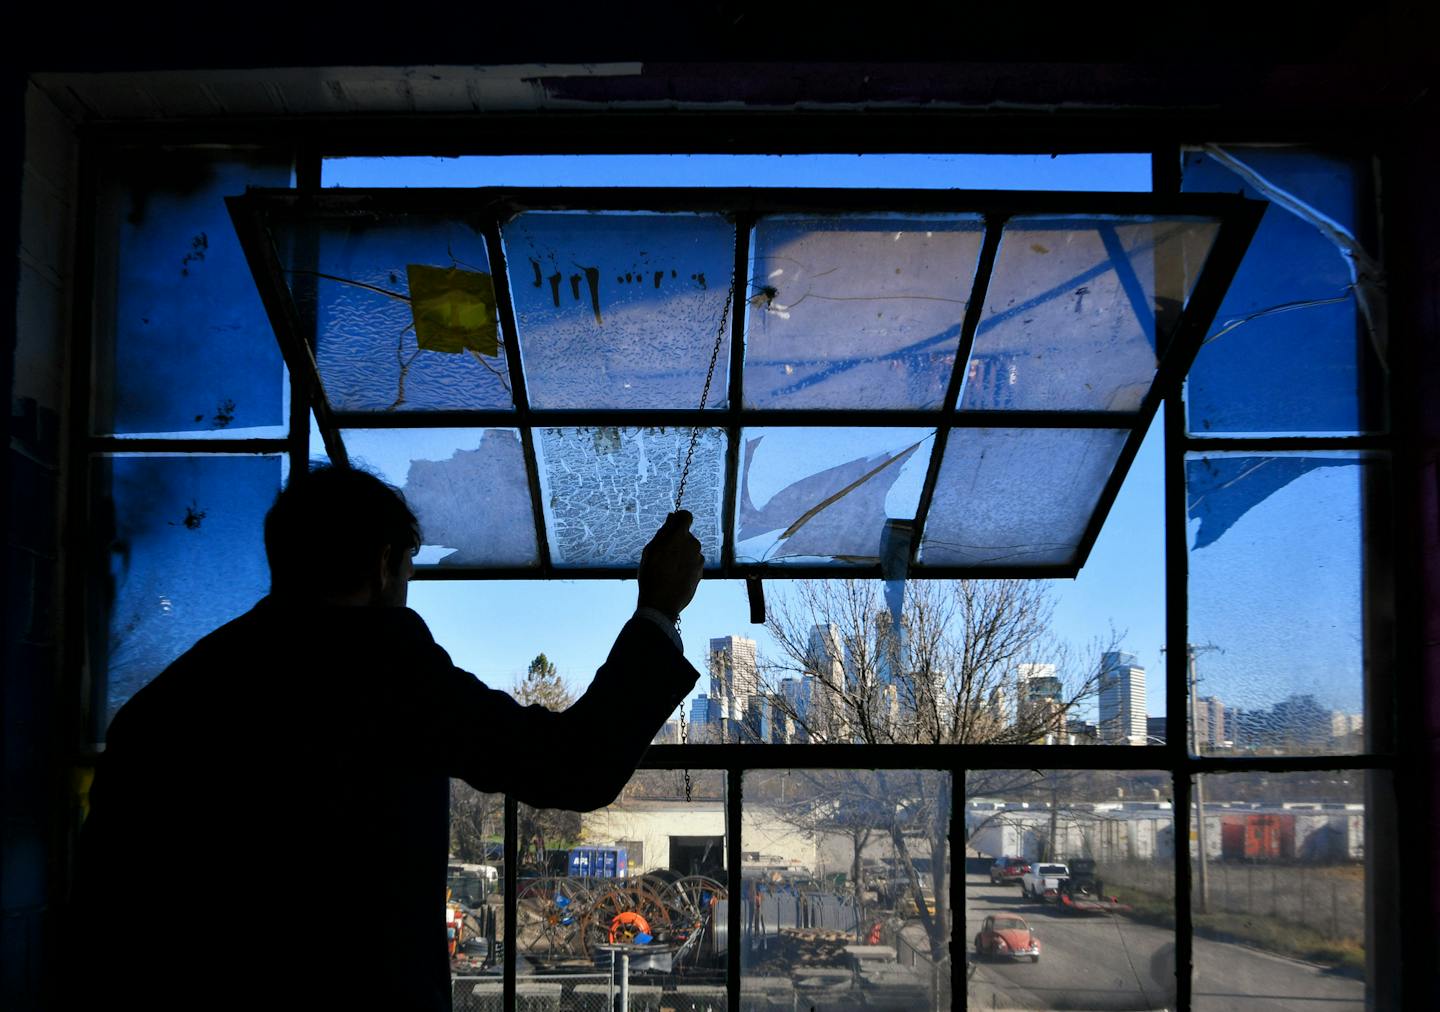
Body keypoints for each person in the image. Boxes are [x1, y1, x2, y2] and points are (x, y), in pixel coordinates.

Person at [68, 465, 703, 1010]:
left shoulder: (176, 696)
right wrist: (658, 611)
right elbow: (574, 765)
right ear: (380, 566)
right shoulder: (383, 667)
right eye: (406, 570)